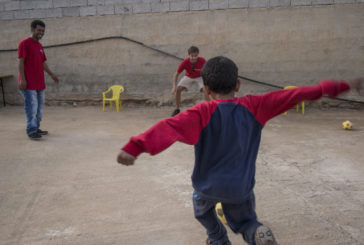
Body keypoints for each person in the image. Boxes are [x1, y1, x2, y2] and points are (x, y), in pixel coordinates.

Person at [117, 56, 362, 245]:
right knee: (245, 222)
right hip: (240, 188)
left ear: (206, 90)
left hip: (207, 187)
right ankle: (257, 232)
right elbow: (298, 94)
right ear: (238, 84)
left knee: (201, 211)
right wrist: (340, 85)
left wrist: (134, 147)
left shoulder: (200, 113)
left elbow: (167, 126)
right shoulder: (256, 106)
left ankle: (217, 239)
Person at [18, 19, 59, 140]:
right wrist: (23, 80)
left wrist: (51, 74)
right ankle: (31, 130)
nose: (41, 33)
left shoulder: (39, 45)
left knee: (39, 109)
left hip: (40, 83)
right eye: (39, 30)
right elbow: (21, 63)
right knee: (32, 107)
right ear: (32, 29)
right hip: (29, 83)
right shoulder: (24, 43)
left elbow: (42, 63)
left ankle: (36, 127)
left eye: (43, 31)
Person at [171, 46, 209, 116]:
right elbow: (176, 74)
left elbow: (208, 71)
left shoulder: (202, 60)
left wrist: (207, 82)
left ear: (198, 54)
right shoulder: (185, 62)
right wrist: (174, 86)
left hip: (200, 77)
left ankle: (209, 107)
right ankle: (177, 109)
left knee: (205, 89)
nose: (194, 58)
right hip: (189, 76)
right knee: (178, 89)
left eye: (196, 56)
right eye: (192, 56)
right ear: (189, 55)